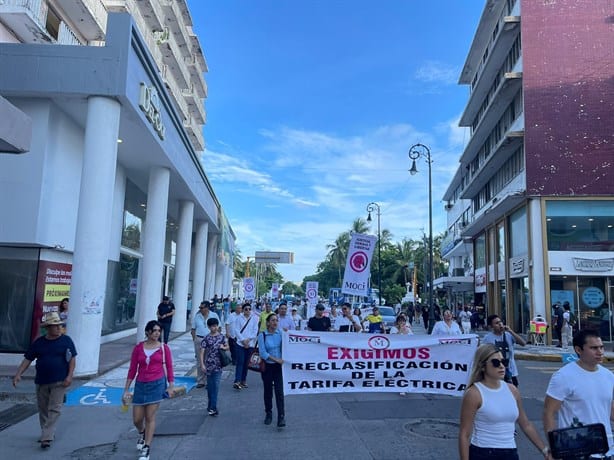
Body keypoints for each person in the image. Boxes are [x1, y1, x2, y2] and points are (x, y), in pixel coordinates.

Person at [459, 344, 550, 460]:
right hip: (483, 453)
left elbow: (525, 424)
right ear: (482, 366)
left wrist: (545, 450)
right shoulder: (474, 393)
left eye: (504, 362)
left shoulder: (512, 390)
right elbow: (464, 434)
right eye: (496, 363)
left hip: (510, 452)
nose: (501, 366)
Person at [13, 312, 77, 449]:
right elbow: (28, 359)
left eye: (60, 325)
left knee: (55, 408)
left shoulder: (66, 341)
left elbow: (72, 360)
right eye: (55, 326)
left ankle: (47, 437)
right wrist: (18, 374)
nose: (59, 328)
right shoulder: (39, 343)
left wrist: (69, 376)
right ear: (48, 328)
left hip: (59, 381)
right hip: (41, 381)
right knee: (43, 409)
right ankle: (46, 432)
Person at [543, 329, 614, 453]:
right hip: (575, 448)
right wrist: (554, 448)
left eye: (602, 347)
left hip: (605, 448)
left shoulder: (608, 376)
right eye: (594, 348)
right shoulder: (563, 376)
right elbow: (548, 413)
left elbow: (609, 409)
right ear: (578, 350)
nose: (600, 352)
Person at [123, 320, 174, 460]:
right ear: (148, 332)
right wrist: (126, 389)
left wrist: (170, 386)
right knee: (137, 419)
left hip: (157, 384)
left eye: (159, 331)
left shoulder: (164, 348)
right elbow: (133, 368)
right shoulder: (139, 348)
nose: (157, 333)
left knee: (150, 417)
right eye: (154, 331)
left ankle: (147, 447)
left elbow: (169, 367)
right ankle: (142, 432)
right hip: (140, 384)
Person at [481, 314, 526, 387]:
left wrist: (511, 331)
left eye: (500, 322)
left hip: (510, 371)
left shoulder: (508, 335)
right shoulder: (488, 338)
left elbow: (523, 343)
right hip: (496, 371)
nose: (500, 324)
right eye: (496, 323)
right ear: (491, 326)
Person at [258, 313, 285, 427]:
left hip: (279, 368)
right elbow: (263, 353)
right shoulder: (262, 335)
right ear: (268, 323)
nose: (275, 322)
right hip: (268, 366)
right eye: (273, 320)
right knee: (268, 391)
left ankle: (281, 416)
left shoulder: (281, 334)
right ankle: (268, 413)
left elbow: (287, 346)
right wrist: (276, 359)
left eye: (276, 320)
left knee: (279, 392)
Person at [199, 317, 229, 416]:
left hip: (218, 365)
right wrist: (202, 364)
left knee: (215, 386)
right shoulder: (206, 338)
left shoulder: (221, 337)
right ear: (209, 327)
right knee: (210, 387)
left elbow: (227, 347)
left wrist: (223, 347)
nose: (214, 328)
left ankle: (213, 407)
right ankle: (210, 405)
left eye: (216, 326)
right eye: (212, 326)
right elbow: (202, 351)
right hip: (209, 365)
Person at [190, 301, 219, 388]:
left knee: (209, 360)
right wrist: (195, 339)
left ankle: (208, 381)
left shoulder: (214, 315)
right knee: (200, 361)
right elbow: (193, 329)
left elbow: (219, 328)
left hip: (211, 339)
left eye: (202, 307)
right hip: (199, 339)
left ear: (207, 308)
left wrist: (216, 339)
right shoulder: (197, 316)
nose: (200, 309)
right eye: (200, 307)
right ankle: (201, 380)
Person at [233, 303, 259, 389]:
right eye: (246, 309)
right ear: (243, 310)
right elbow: (236, 330)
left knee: (246, 363)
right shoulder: (238, 318)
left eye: (249, 309)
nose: (248, 311)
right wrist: (243, 340)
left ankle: (243, 380)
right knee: (240, 362)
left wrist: (248, 339)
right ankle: (237, 380)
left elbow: (255, 331)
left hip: (250, 344)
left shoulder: (254, 319)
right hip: (240, 344)